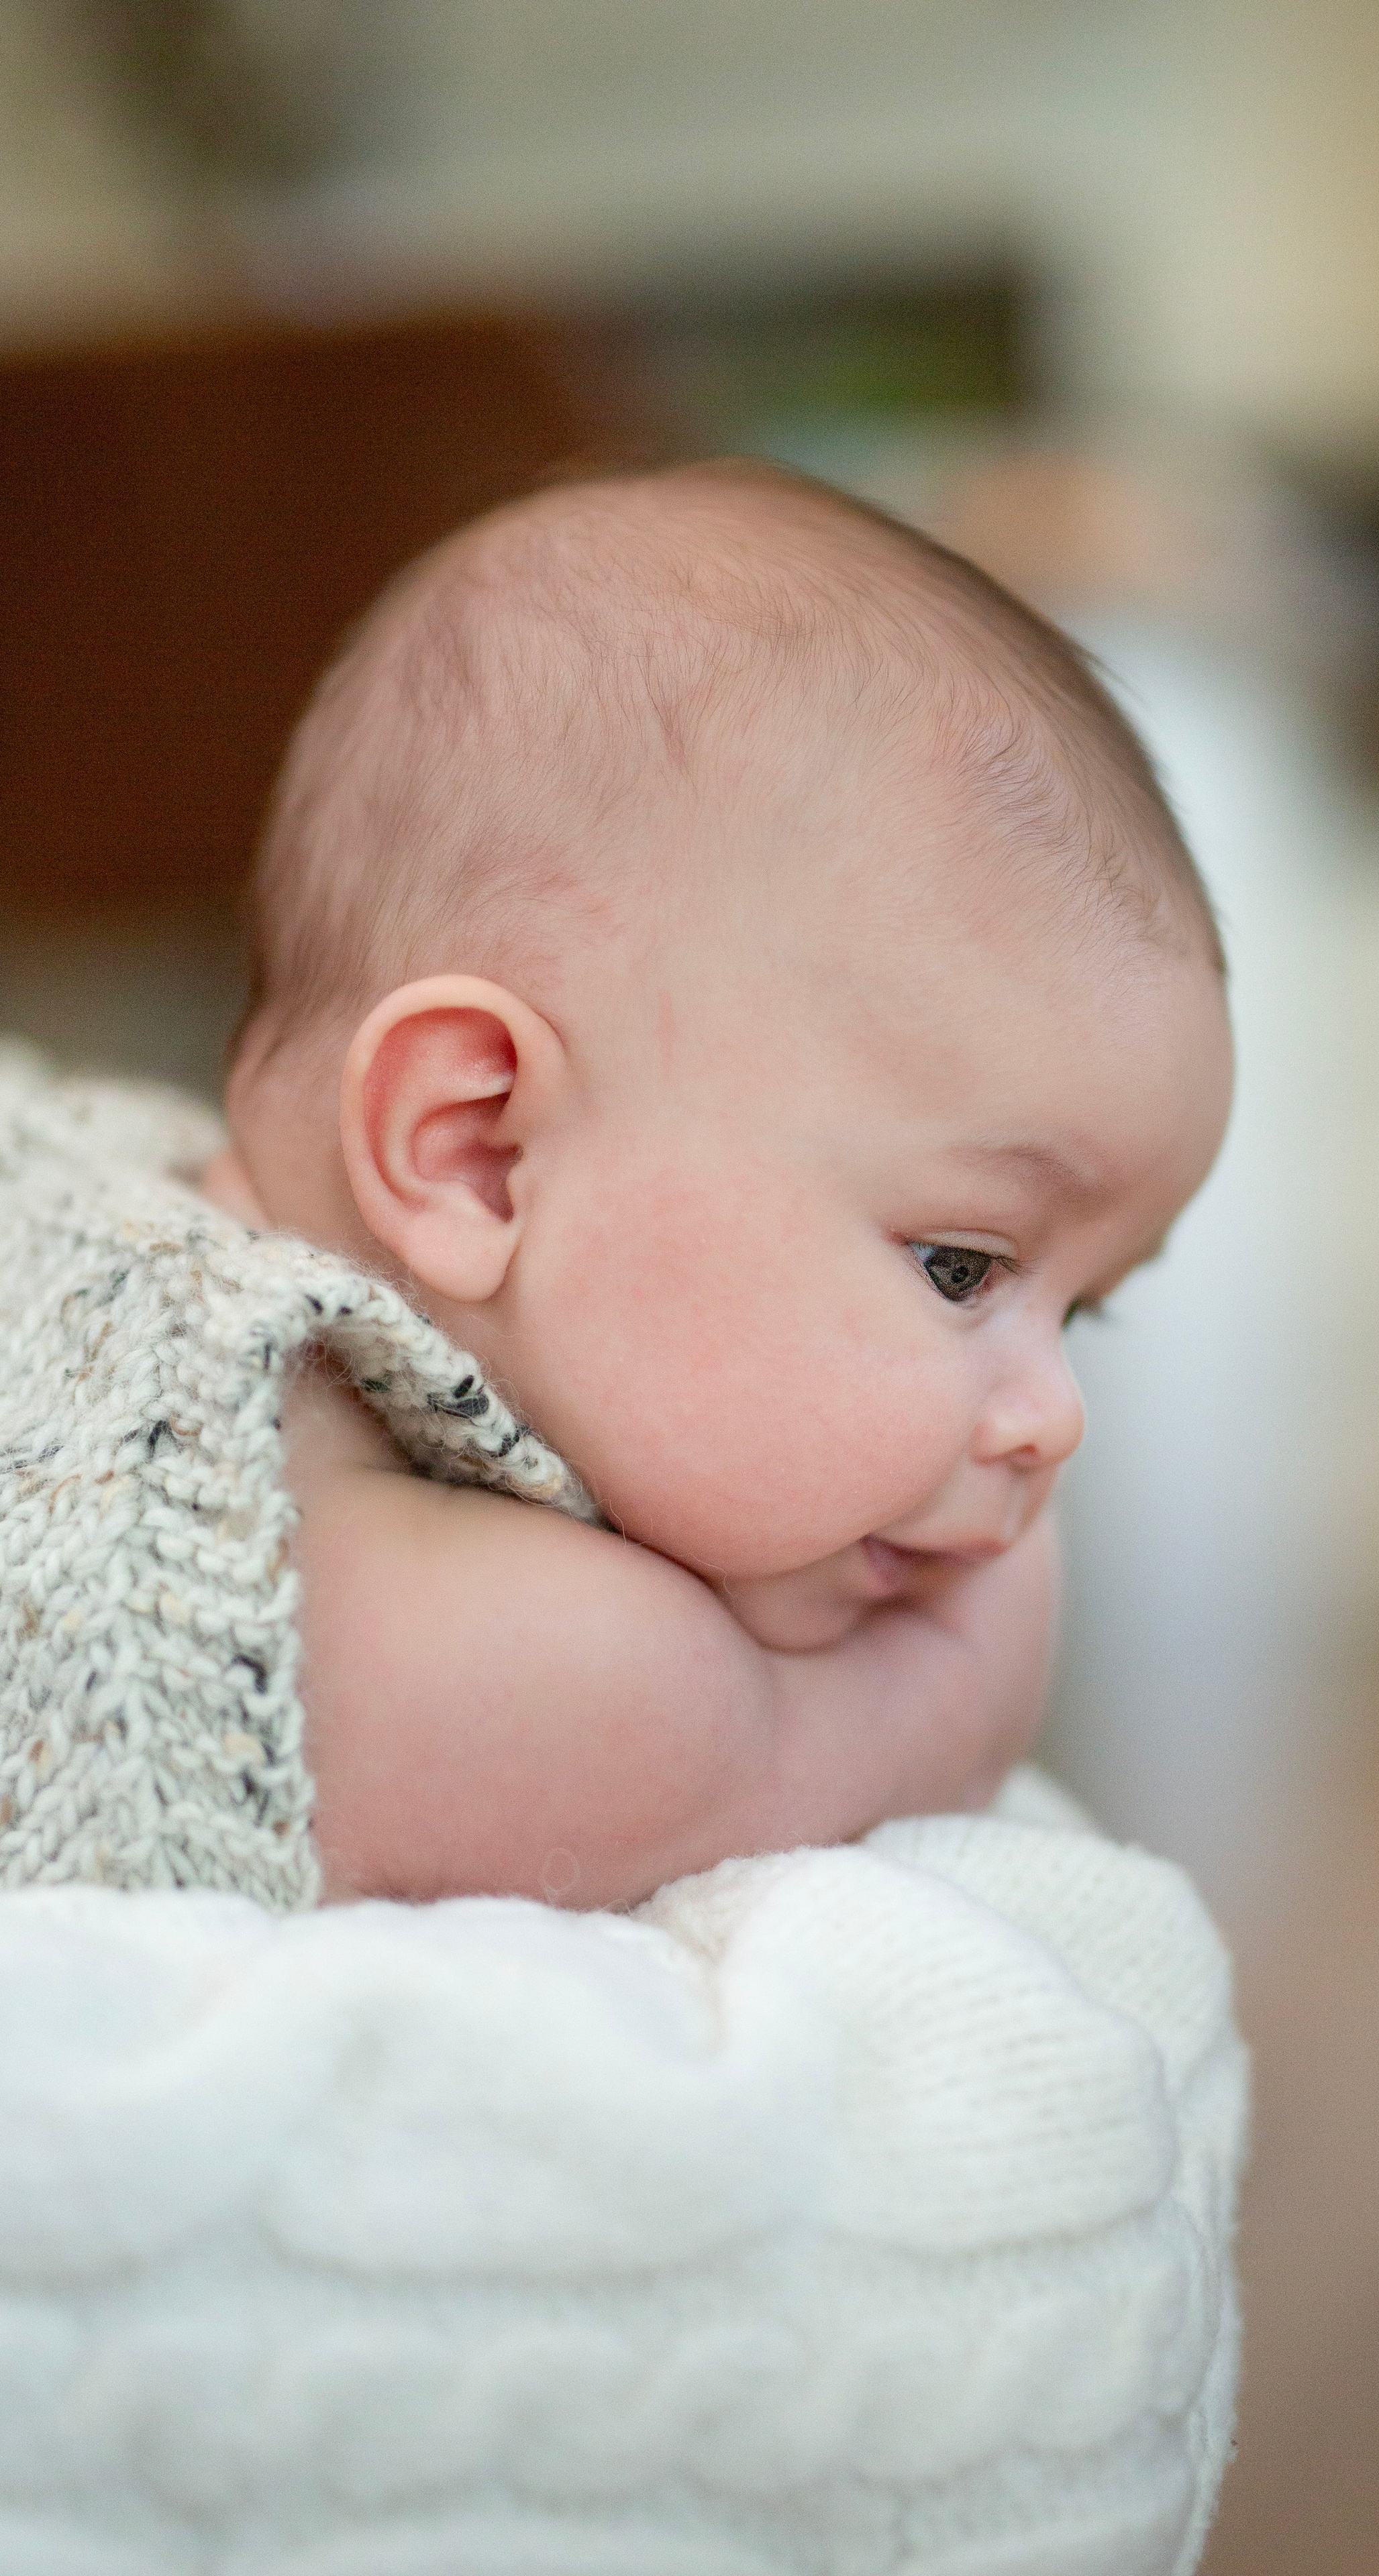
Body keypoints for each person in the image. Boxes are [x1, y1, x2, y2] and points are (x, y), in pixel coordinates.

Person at [0, 460, 1232, 1911]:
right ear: (478, 1153)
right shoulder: (262, 1541)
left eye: (1079, 1312)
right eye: (959, 1267)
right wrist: (969, 1666)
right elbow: (740, 1753)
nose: (1054, 1424)